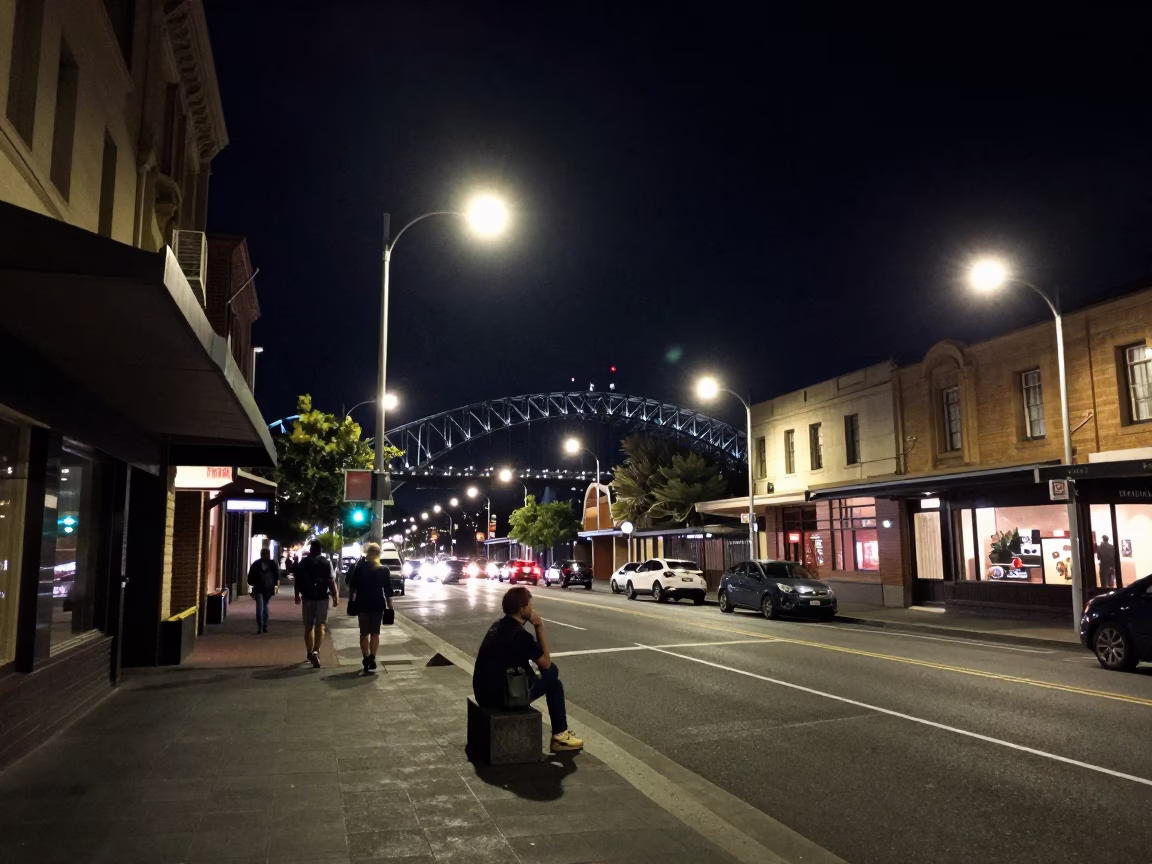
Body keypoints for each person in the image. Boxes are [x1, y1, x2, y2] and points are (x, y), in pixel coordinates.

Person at [473, 586, 583, 752]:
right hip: (502, 698)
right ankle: (560, 737)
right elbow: (546, 663)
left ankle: (560, 735)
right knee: (553, 673)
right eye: (531, 606)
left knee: (554, 683)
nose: (533, 609)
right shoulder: (520, 635)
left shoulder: (498, 626)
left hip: (483, 694)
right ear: (523, 610)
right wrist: (539, 627)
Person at [346, 542, 394, 673]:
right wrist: (390, 604)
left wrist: (351, 601)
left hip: (362, 604)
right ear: (378, 555)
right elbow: (388, 589)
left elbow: (352, 587)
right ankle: (372, 657)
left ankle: (366, 657)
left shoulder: (359, 568)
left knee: (364, 633)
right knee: (375, 633)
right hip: (377, 604)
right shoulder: (383, 570)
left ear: (367, 554)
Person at [294, 540, 338, 667]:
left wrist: (297, 596)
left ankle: (309, 652)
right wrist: (335, 596)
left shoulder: (303, 563)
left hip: (307, 598)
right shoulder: (326, 562)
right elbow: (331, 580)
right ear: (320, 550)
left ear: (311, 550)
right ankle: (316, 651)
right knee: (321, 626)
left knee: (308, 626)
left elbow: (297, 581)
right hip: (322, 598)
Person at [246, 548, 280, 634]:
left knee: (261, 606)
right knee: (263, 606)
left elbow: (250, 577)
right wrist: (275, 585)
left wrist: (251, 584)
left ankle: (262, 625)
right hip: (264, 588)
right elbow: (277, 576)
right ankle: (262, 625)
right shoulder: (271, 564)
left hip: (263, 588)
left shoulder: (258, 564)